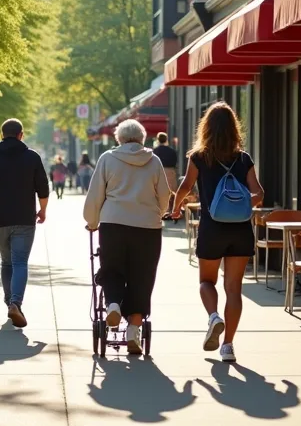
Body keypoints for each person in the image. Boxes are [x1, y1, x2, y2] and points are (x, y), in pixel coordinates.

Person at [170, 102, 264, 364]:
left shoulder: (199, 157)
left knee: (206, 282)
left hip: (212, 229)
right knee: (234, 289)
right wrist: (242, 203)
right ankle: (228, 346)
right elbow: (259, 194)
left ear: (206, 127)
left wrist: (175, 209)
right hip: (241, 232)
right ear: (234, 128)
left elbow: (186, 186)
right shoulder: (244, 159)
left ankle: (213, 317)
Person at [82, 119, 172, 356]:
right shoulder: (153, 161)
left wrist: (92, 221)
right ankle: (133, 329)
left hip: (113, 224)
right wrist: (159, 214)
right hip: (147, 228)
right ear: (142, 139)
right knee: (142, 276)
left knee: (111, 268)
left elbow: (95, 195)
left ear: (118, 139)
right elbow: (164, 194)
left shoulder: (107, 159)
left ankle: (112, 303)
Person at [0, 118, 49, 329]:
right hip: (25, 218)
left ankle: (10, 303)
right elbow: (42, 188)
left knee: (6, 262)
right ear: (21, 135)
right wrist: (42, 210)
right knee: (20, 262)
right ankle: (15, 303)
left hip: (0, 219)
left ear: (1, 134)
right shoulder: (32, 157)